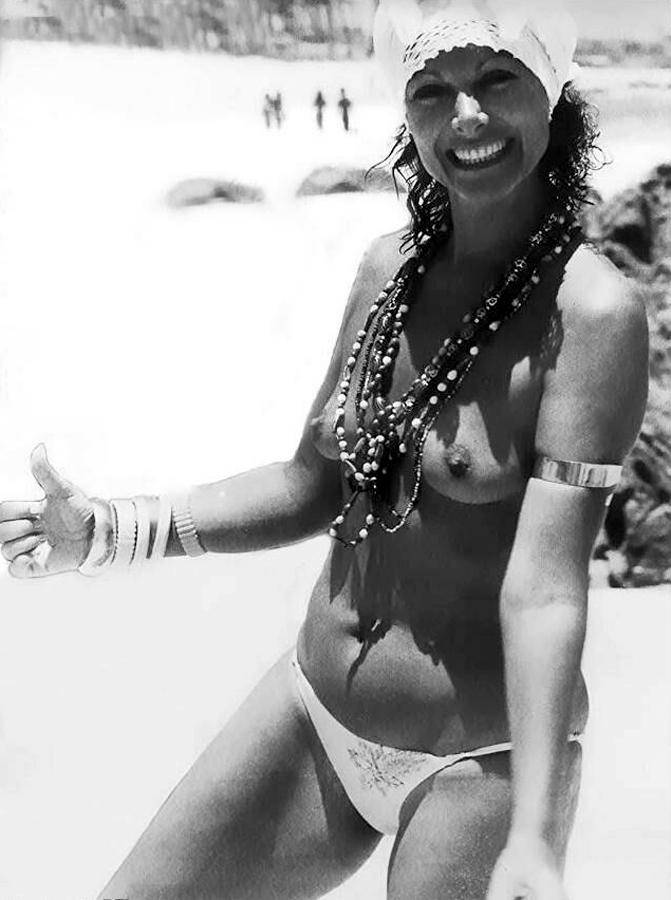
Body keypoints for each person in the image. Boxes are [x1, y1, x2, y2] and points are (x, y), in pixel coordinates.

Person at [0, 1, 649, 898]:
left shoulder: (591, 314)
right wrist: (111, 530)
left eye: (496, 78)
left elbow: (543, 588)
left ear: (551, 90)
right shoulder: (389, 270)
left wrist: (534, 837)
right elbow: (309, 485)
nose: (465, 116)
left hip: (478, 763)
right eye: (430, 89)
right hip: (313, 711)